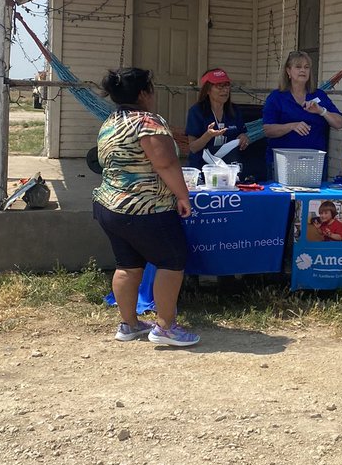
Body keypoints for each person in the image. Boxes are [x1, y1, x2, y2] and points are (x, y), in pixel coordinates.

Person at [93, 66, 199, 348]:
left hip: (109, 206)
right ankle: (165, 326)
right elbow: (165, 162)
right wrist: (183, 196)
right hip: (145, 208)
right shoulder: (148, 122)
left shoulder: (111, 121)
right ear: (144, 93)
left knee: (127, 266)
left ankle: (129, 324)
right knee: (172, 261)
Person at [262, 50, 342, 177]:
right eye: (298, 67)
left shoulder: (319, 95)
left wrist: (321, 111)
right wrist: (291, 126)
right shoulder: (276, 97)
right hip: (283, 165)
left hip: (314, 164)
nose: (303, 70)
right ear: (288, 71)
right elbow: (268, 130)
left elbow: (339, 123)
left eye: (306, 67)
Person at [185, 68, 250, 172]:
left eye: (227, 85)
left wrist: (243, 138)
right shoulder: (196, 111)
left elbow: (242, 134)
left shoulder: (235, 110)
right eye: (219, 86)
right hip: (202, 168)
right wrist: (208, 136)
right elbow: (193, 147)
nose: (225, 90)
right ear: (207, 90)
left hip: (229, 168)